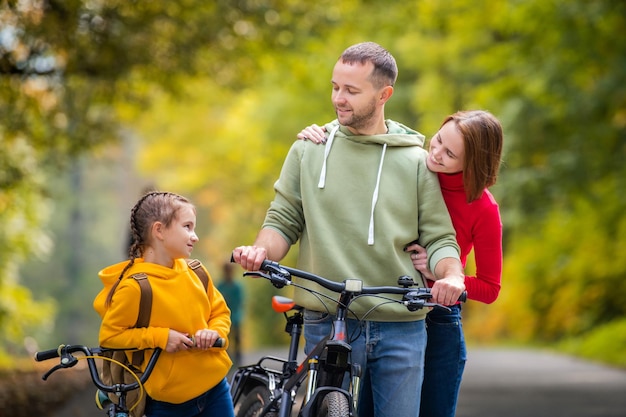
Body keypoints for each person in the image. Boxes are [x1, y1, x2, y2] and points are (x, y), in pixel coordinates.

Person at [231, 42, 465, 417]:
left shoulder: (417, 161)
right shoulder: (309, 150)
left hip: (400, 323)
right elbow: (283, 220)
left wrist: (452, 275)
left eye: (351, 91)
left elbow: (439, 238)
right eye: (335, 86)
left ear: (384, 94)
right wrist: (260, 251)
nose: (338, 98)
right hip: (327, 317)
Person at [301, 109, 503, 416]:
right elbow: (358, 154)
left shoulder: (484, 208)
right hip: (386, 309)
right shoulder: (410, 166)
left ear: (473, 163)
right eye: (437, 140)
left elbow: (490, 287)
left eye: (449, 153)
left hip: (439, 316)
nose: (434, 153)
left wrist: (439, 276)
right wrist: (321, 136)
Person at [94, 191, 235, 417]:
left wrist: (213, 331)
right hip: (168, 404)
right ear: (159, 230)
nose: (195, 236)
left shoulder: (197, 272)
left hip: (215, 389)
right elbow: (110, 338)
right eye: (187, 227)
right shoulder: (135, 288)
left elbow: (220, 312)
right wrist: (161, 337)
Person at [217, 261, 244, 364]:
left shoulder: (237, 286)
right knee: (225, 340)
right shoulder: (220, 286)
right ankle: (226, 359)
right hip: (224, 318)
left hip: (235, 317)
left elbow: (239, 301)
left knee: (237, 339)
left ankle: (238, 360)